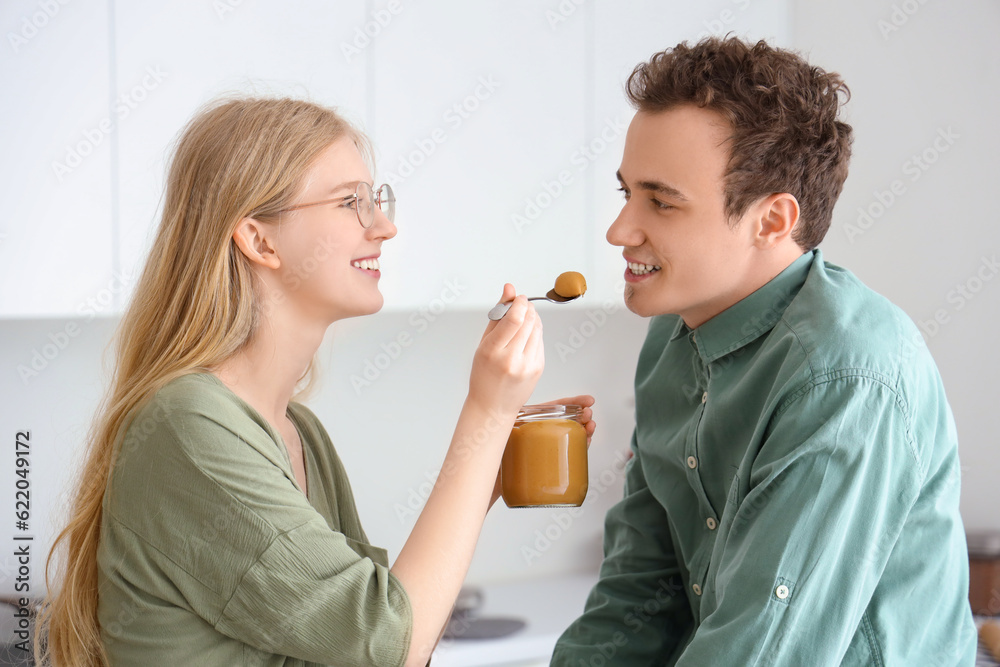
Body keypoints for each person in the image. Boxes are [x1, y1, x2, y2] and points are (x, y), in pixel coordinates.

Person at [35, 96, 594, 667]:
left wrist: (486, 469)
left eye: (375, 200)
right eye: (350, 202)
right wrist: (488, 411)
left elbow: (392, 638)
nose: (385, 226)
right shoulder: (187, 430)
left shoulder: (299, 433)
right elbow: (388, 645)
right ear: (260, 241)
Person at [551, 36, 977, 665]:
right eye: (627, 194)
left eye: (661, 201)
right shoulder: (670, 337)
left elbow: (760, 652)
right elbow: (639, 593)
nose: (620, 230)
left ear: (772, 221)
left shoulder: (844, 377)